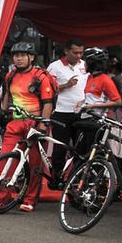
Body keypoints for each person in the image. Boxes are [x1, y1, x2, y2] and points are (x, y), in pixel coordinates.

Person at [0, 41, 56, 210]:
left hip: (36, 123)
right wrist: (2, 110)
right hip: (16, 123)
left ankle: (29, 200)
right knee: (5, 159)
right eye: (16, 55)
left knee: (34, 164)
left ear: (31, 57)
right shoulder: (10, 76)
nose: (19, 58)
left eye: (22, 55)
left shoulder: (41, 76)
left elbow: (48, 103)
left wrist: (43, 125)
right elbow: (7, 95)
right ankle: (1, 197)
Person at [46, 39, 86, 178]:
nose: (79, 55)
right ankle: (57, 177)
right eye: (75, 52)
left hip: (81, 113)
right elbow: (47, 90)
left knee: (81, 148)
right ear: (66, 51)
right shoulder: (54, 66)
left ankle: (76, 179)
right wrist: (65, 85)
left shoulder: (85, 65)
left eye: (81, 52)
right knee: (60, 147)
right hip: (61, 113)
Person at [76, 47, 122, 155]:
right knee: (81, 154)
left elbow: (118, 102)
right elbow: (93, 97)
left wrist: (93, 106)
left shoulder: (106, 80)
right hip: (86, 119)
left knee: (93, 154)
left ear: (93, 63)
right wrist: (82, 102)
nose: (84, 65)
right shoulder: (89, 77)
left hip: (97, 121)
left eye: (86, 62)